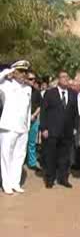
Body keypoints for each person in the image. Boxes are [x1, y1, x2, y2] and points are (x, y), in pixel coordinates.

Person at [40, 70, 79, 189]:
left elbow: (75, 112)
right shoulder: (50, 93)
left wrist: (75, 127)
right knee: (51, 156)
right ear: (58, 79)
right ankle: (50, 179)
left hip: (67, 131)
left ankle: (63, 178)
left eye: (67, 77)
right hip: (52, 130)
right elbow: (43, 112)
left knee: (65, 157)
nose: (66, 79)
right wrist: (44, 128)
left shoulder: (72, 93)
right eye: (63, 77)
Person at [0, 61, 32, 194]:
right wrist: (8, 72)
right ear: (15, 72)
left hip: (22, 127)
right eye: (21, 71)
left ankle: (15, 182)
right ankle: (6, 183)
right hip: (8, 127)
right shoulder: (6, 85)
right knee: (6, 156)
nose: (24, 74)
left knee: (19, 156)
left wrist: (28, 126)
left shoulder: (28, 88)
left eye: (25, 71)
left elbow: (28, 109)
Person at [26, 71, 42, 171]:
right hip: (22, 121)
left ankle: (31, 162)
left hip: (33, 120)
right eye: (30, 79)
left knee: (32, 142)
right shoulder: (21, 90)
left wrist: (34, 115)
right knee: (20, 142)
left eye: (34, 79)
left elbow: (40, 105)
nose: (33, 81)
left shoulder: (36, 92)